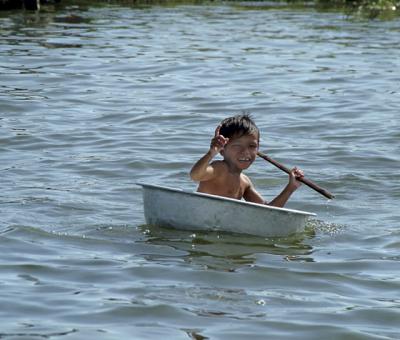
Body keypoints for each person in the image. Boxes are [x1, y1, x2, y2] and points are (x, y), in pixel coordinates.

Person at [189, 114, 304, 208]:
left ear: (258, 148)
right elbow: (195, 175)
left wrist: (290, 188)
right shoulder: (219, 169)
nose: (246, 152)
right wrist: (211, 153)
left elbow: (267, 211)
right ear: (222, 150)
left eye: (252, 146)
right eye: (237, 146)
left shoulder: (245, 182)